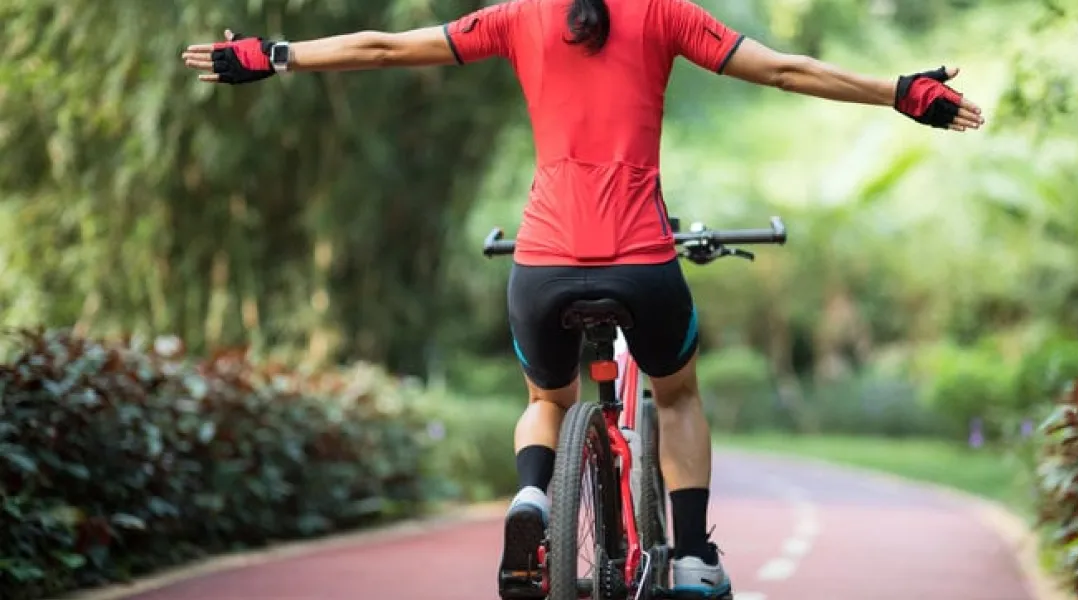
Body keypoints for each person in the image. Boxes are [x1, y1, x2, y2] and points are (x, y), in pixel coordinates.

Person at [181, 1, 984, 597]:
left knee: (546, 398)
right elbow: (784, 70)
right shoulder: (665, 14)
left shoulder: (516, 17)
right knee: (677, 394)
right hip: (643, 263)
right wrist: (897, 91)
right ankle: (693, 557)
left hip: (543, 266)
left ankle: (534, 494)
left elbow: (386, 46)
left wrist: (275, 54)